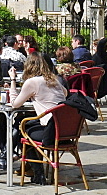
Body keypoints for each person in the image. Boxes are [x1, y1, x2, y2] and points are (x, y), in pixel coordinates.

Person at [8, 53, 67, 185]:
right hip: (65, 131)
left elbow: (14, 103)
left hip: (50, 133)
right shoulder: (54, 79)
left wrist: (12, 80)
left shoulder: (32, 82)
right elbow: (65, 93)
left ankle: (37, 172)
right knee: (24, 123)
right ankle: (27, 166)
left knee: (22, 128)